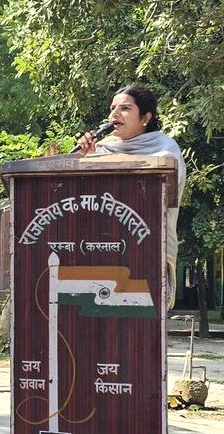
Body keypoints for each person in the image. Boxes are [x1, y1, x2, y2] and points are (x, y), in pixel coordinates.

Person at [75, 82, 187, 307]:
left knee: (142, 324)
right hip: (102, 252)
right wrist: (86, 158)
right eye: (112, 108)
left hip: (149, 252)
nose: (115, 114)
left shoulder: (165, 151)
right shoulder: (103, 149)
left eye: (125, 108)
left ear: (146, 117)